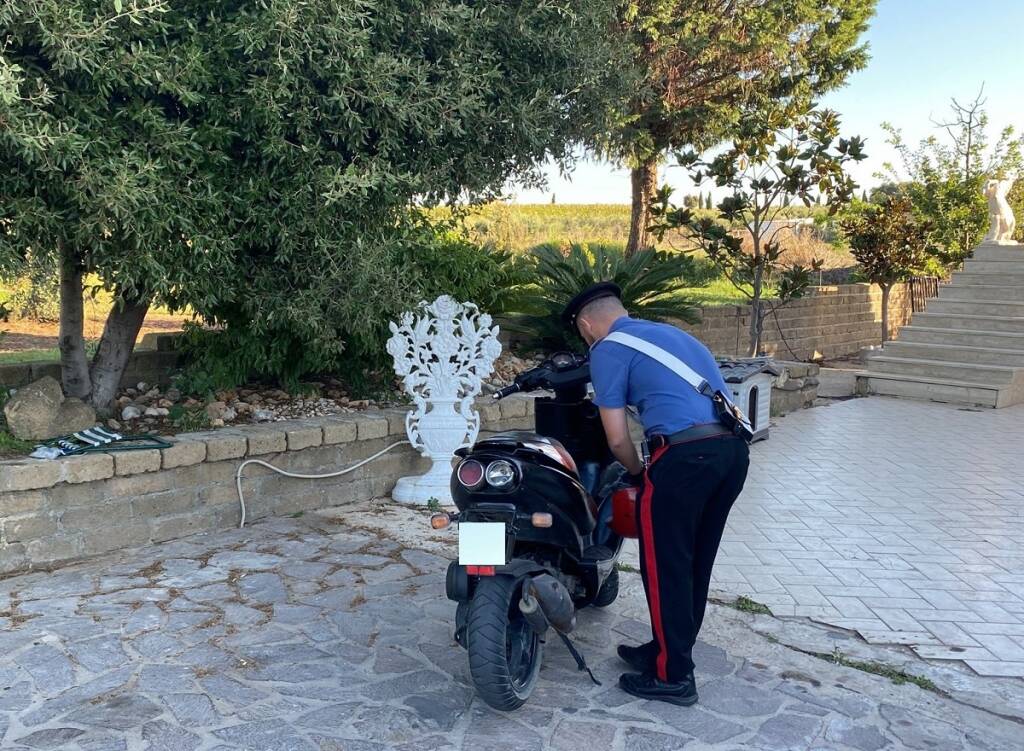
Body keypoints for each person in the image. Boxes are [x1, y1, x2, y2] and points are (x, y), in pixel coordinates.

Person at [562, 282, 750, 706]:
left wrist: (637, 473)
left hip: (685, 458)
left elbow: (616, 439)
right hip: (731, 452)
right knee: (693, 562)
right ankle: (668, 652)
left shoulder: (608, 349)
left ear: (587, 324)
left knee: (664, 565)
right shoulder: (671, 334)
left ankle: (674, 677)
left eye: (581, 331)